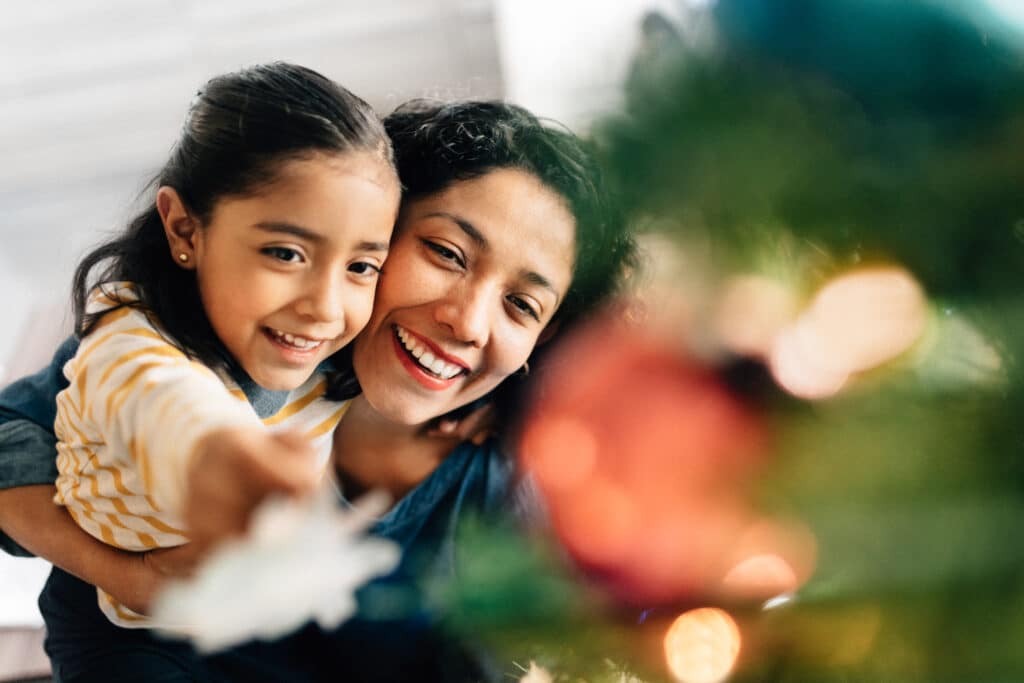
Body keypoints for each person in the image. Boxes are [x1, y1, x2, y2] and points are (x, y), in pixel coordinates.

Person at [0, 99, 636, 681]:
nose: (467, 322)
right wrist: (127, 577)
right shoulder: (215, 340)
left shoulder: (511, 479)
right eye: (446, 252)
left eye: (522, 304)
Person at [4, 61, 401, 679]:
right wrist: (220, 458)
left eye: (360, 267)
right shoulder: (130, 339)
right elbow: (162, 400)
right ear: (184, 228)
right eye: (285, 253)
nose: (325, 306)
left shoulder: (352, 351)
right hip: (133, 640)